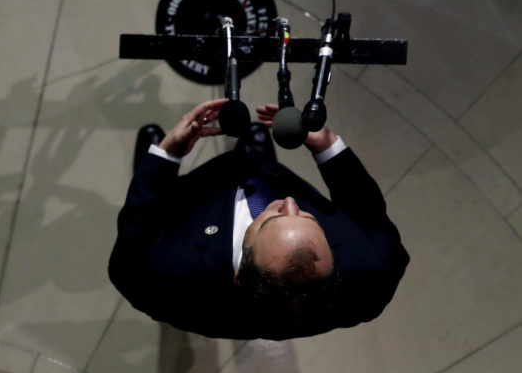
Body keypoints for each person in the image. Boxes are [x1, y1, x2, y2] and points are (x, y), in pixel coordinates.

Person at [108, 98, 409, 340]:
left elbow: (135, 239)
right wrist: (327, 147)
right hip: (266, 176)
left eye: (270, 219)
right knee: (260, 162)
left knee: (160, 198)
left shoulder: (170, 283)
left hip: (200, 198)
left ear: (240, 272)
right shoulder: (373, 274)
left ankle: (231, 160)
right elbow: (368, 214)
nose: (290, 201)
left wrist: (165, 156)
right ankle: (258, 159)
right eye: (309, 217)